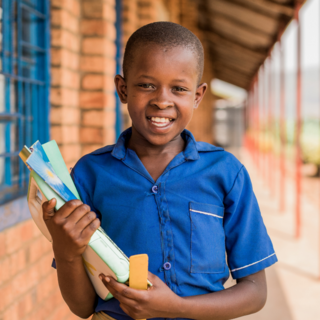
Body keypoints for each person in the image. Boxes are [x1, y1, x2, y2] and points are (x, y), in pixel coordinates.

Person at [43, 22, 277, 320]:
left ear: (197, 96)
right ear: (123, 89)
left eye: (179, 88)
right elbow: (83, 307)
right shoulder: (91, 174)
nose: (162, 100)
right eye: (146, 85)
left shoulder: (226, 173)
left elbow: (256, 291)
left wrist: (175, 307)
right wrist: (66, 252)